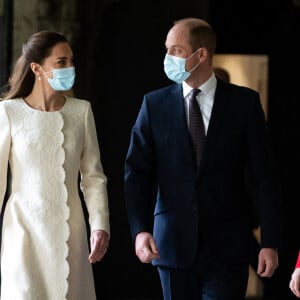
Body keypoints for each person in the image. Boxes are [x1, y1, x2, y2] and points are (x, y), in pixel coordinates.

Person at [124, 17, 281, 300]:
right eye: (167, 49)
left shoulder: (244, 103)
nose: (167, 57)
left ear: (201, 54)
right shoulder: (154, 104)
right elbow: (137, 173)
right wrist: (139, 229)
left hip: (228, 246)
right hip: (170, 243)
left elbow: (264, 176)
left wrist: (269, 241)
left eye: (176, 50)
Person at [0, 31, 110, 299]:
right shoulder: (8, 112)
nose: (70, 67)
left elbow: (93, 177)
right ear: (37, 68)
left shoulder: (81, 111)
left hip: (69, 230)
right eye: (61, 62)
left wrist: (100, 225)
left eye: (71, 60)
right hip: (22, 229)